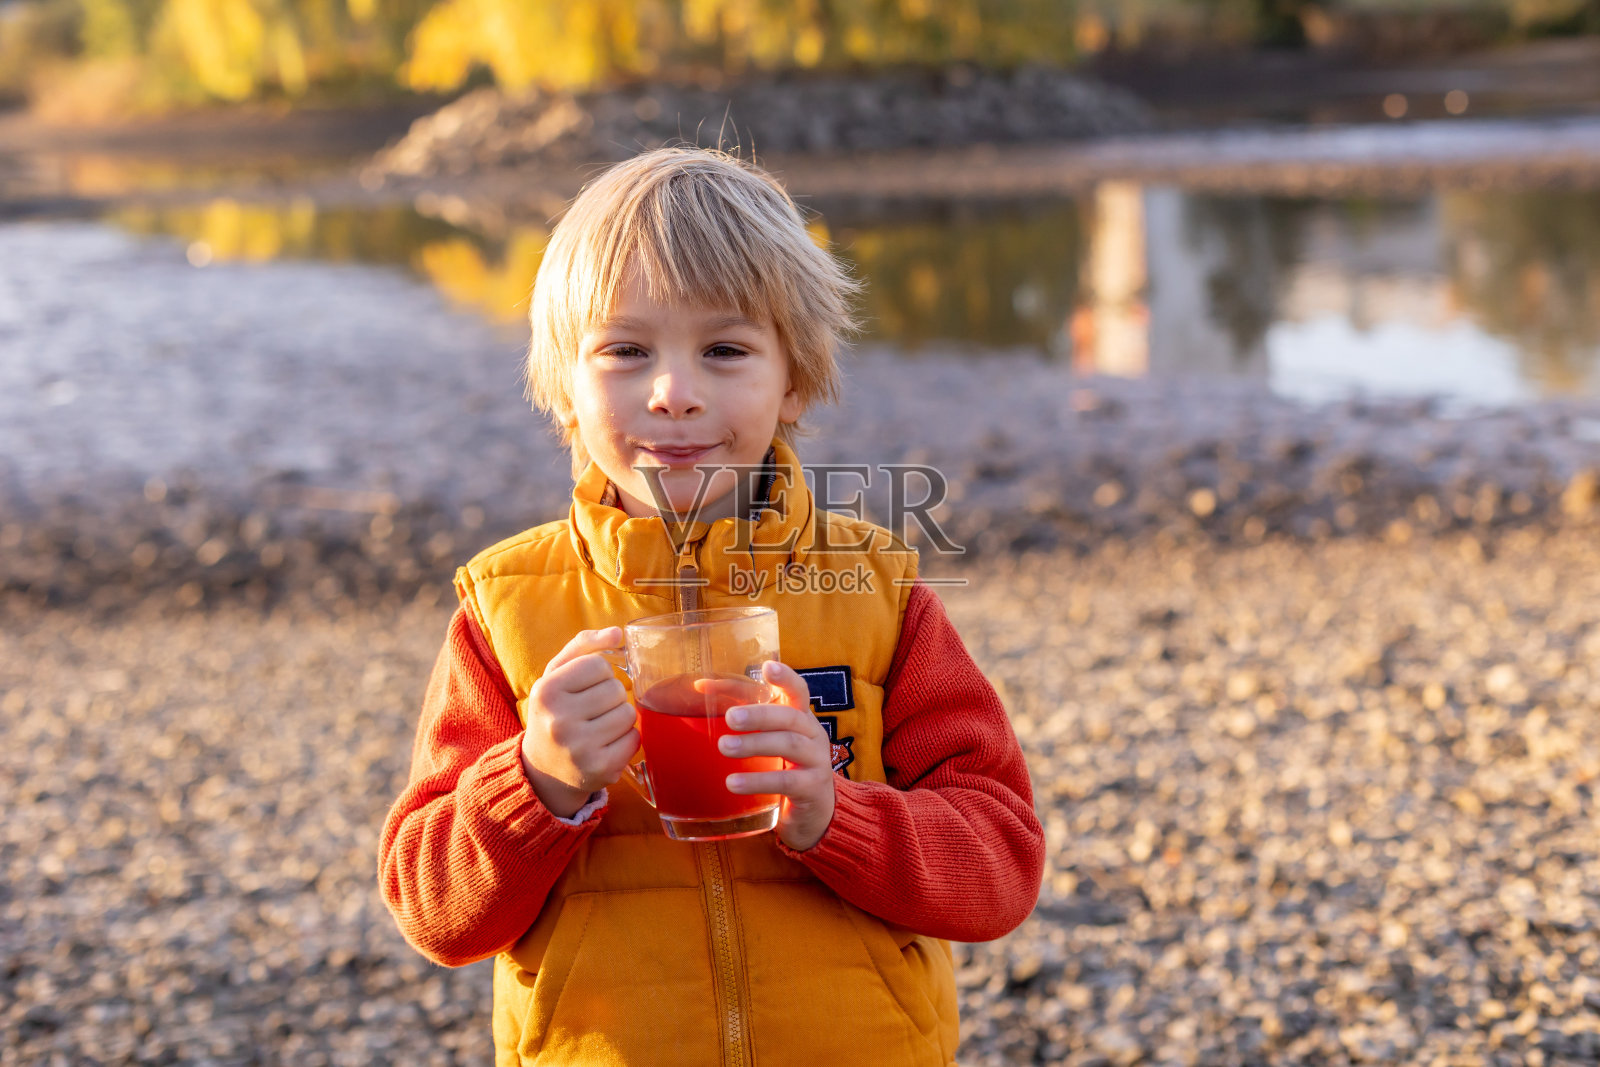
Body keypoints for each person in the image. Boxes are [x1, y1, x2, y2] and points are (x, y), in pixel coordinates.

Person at [378, 146, 1045, 1067]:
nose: (675, 393)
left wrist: (834, 815)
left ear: (795, 380)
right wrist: (535, 780)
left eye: (725, 350)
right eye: (625, 350)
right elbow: (430, 908)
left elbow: (1002, 863)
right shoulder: (507, 610)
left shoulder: (877, 594)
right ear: (566, 391)